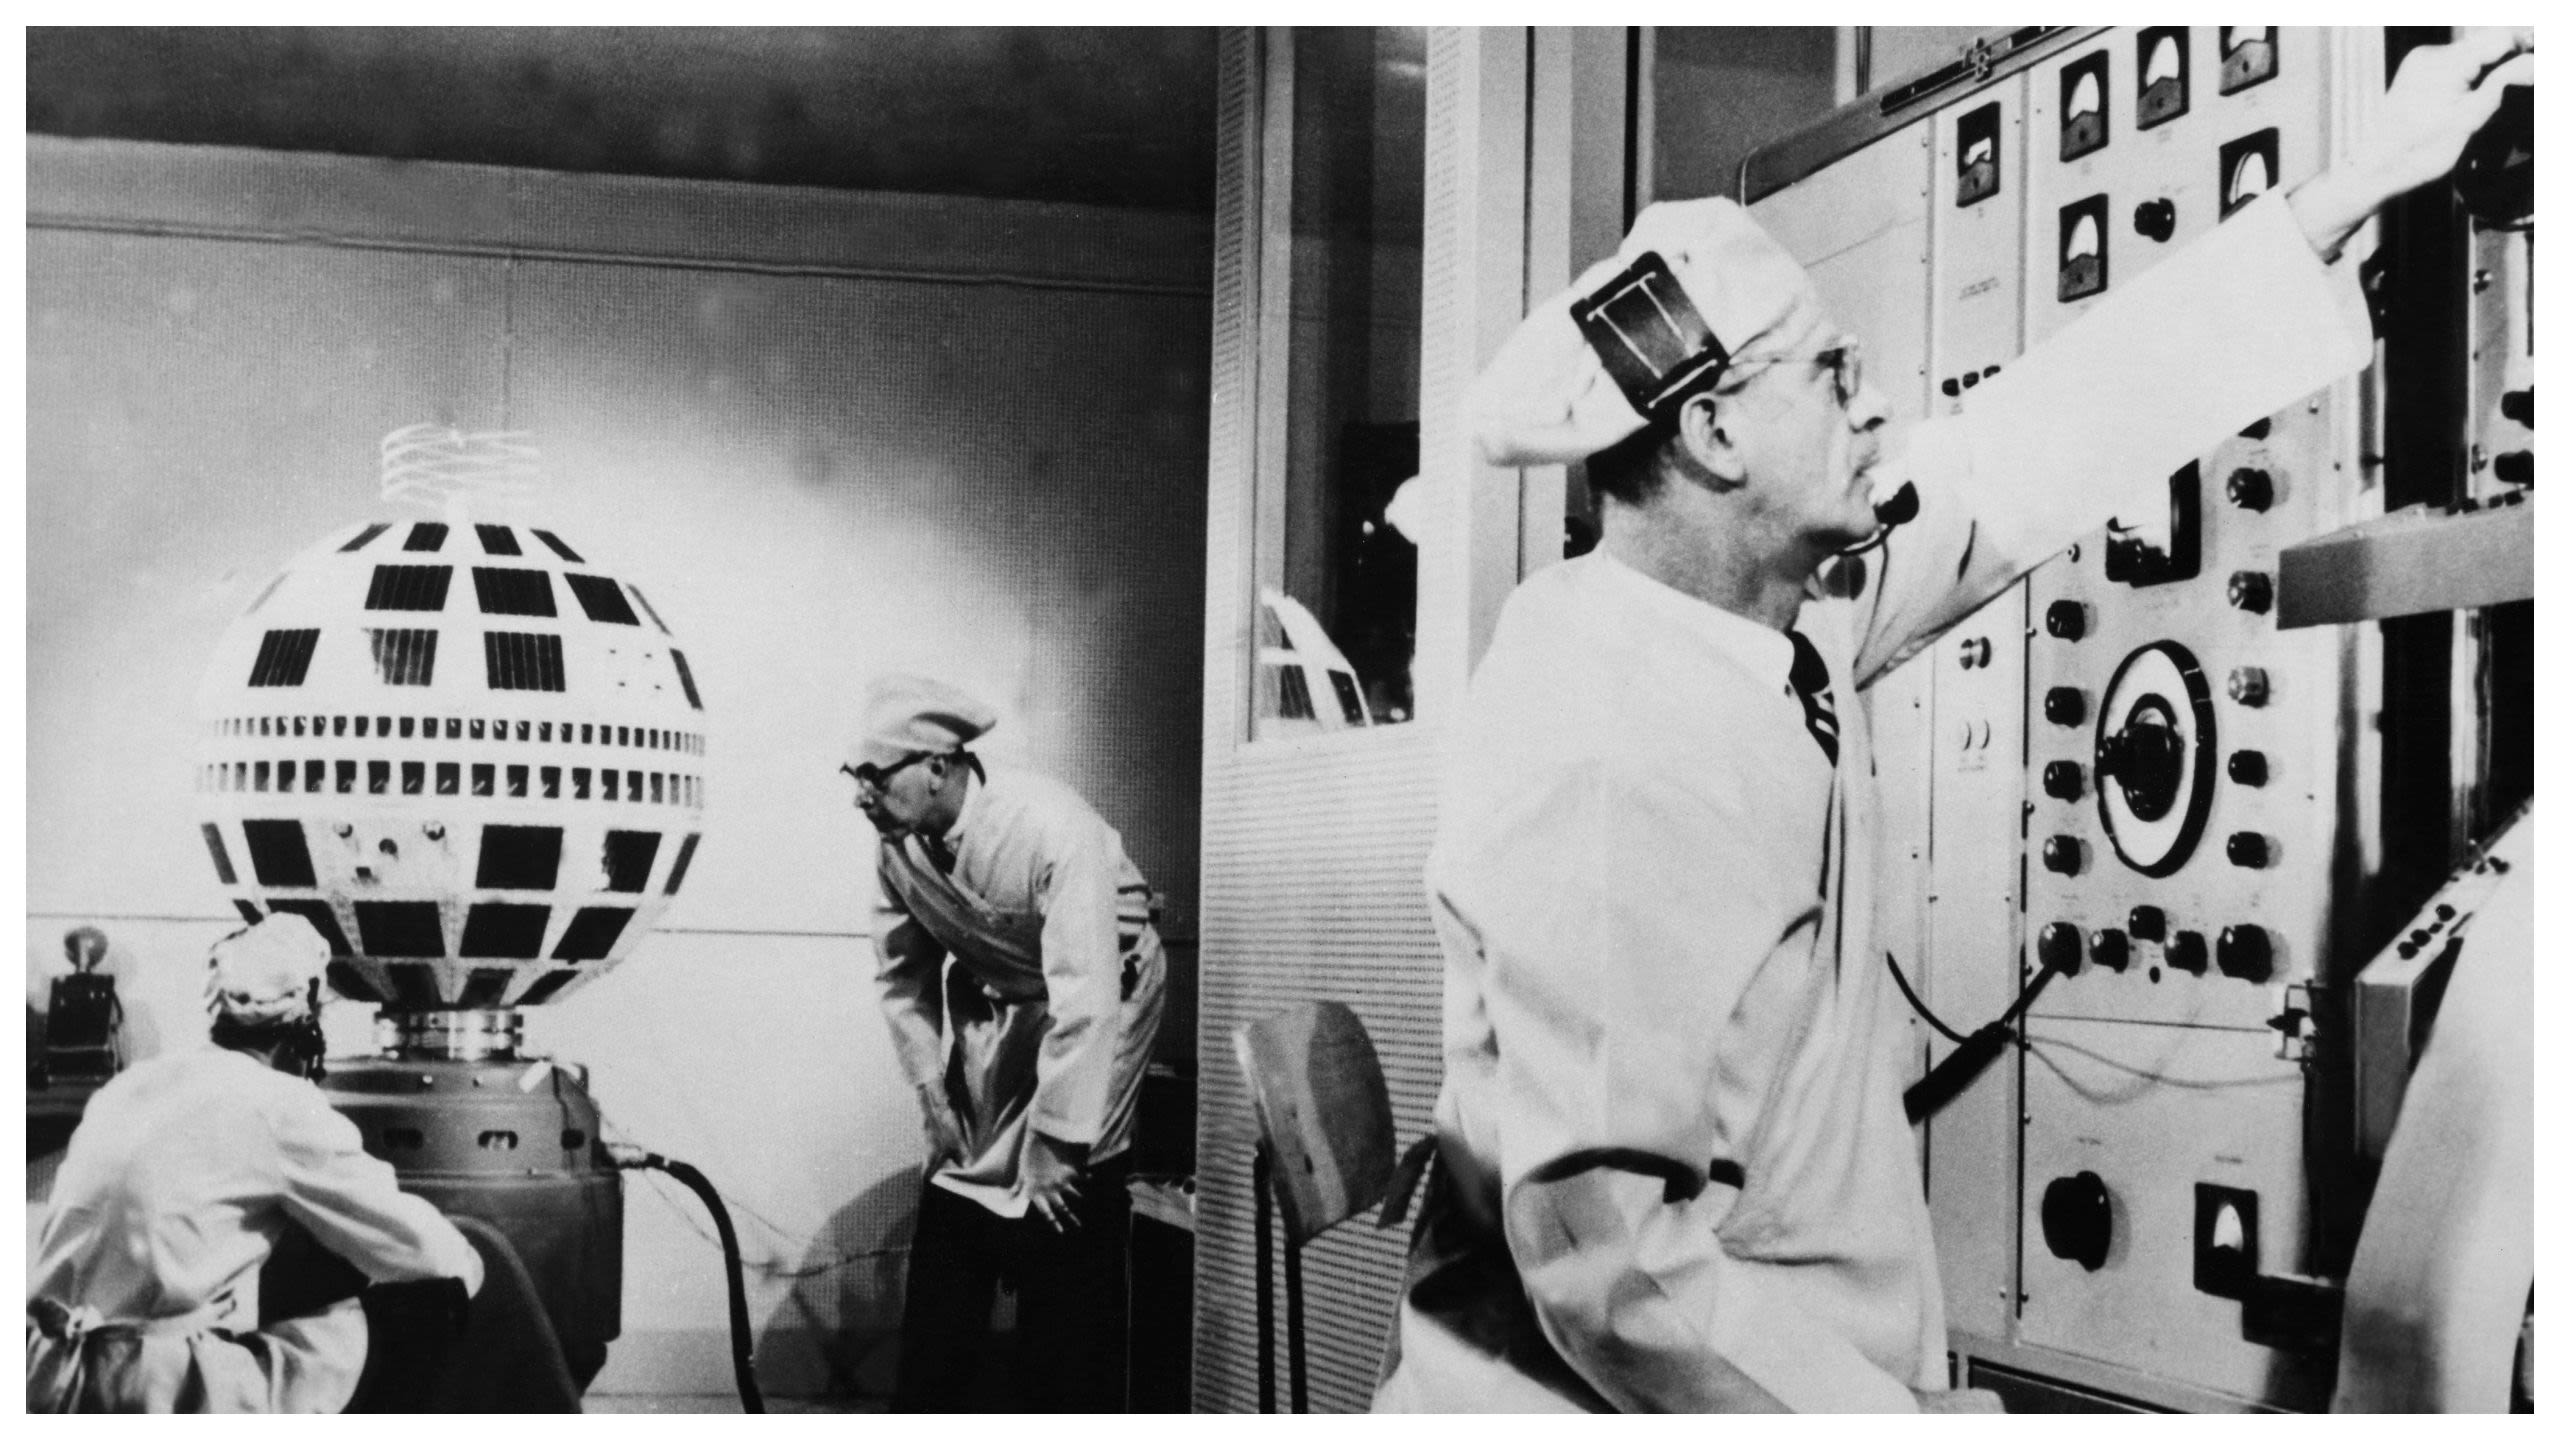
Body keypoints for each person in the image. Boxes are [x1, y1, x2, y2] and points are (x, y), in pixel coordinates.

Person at [1372, 33, 2534, 1415]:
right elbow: (1618, 1280)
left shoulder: (1767, 621)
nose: (1879, 405)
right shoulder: (1602, 755)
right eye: (1832, 373)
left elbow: (2023, 449)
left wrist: (2355, 182)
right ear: (1719, 440)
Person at [848, 673, 1168, 1411]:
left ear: (939, 765)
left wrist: (1058, 1144)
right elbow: (901, 978)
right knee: (959, 1181)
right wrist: (931, 1093)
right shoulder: (897, 846)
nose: (861, 795)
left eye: (875, 775)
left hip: (1105, 1001)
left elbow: (1088, 993)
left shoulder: (1054, 826)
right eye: (854, 777)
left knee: (1064, 1199)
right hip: (1002, 1013)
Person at [26, 912, 484, 1413]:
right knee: (441, 1295)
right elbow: (434, 1257)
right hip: (150, 1389)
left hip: (42, 1374)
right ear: (307, 1025)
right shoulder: (280, 1104)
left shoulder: (130, 1084)